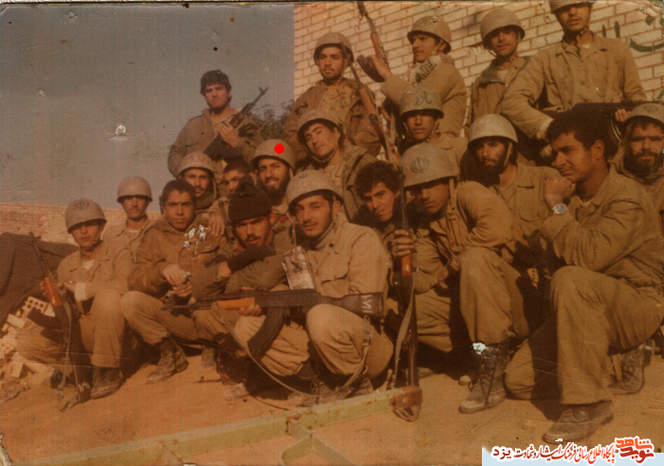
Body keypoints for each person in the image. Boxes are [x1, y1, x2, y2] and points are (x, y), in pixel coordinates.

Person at [503, 111, 664, 443]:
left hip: (637, 304)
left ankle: (588, 404)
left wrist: (555, 207)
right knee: (518, 380)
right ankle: (617, 362)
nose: (558, 162)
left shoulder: (627, 196)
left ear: (597, 150)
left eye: (568, 151)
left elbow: (588, 256)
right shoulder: (573, 200)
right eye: (555, 153)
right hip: (588, 309)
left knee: (571, 279)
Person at [392, 143, 538, 414]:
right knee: (412, 311)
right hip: (483, 310)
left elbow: (498, 227)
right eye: (417, 189)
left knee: (474, 259)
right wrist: (404, 259)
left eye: (431, 184)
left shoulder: (469, 193)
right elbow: (423, 283)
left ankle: (492, 371)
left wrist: (453, 263)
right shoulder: (426, 222)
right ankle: (478, 355)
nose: (424, 195)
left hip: (522, 303)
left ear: (449, 181)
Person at [232, 170, 394, 405]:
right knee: (246, 327)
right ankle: (318, 381)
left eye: (315, 206)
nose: (306, 216)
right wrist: (269, 302)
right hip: (324, 345)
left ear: (335, 206)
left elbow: (366, 303)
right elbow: (291, 292)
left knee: (320, 316)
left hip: (368, 348)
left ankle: (356, 384)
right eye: (299, 209)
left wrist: (314, 303)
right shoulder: (298, 252)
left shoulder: (361, 239)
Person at [17, 199, 131, 399]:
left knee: (108, 297)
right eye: (77, 227)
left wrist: (83, 289)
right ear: (71, 232)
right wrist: (58, 297)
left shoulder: (119, 251)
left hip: (120, 333)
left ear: (101, 226)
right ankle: (81, 372)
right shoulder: (66, 266)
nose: (83, 231)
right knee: (28, 340)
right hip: (88, 333)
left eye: (90, 224)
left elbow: (128, 284)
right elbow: (71, 315)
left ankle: (109, 371)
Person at [120, 181, 228, 384]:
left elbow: (229, 267)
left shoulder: (210, 229)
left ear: (195, 206)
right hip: (178, 319)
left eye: (186, 205)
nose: (179, 212)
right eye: (173, 205)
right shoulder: (153, 235)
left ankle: (213, 347)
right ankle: (171, 353)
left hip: (211, 316)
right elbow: (135, 279)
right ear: (163, 206)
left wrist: (198, 285)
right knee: (130, 301)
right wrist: (161, 271)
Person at [502, 1, 646, 143]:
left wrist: (630, 115)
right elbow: (512, 102)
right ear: (556, 14)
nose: (572, 12)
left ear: (589, 7)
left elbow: (636, 94)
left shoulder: (617, 49)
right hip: (569, 147)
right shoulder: (545, 58)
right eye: (564, 8)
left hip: (612, 142)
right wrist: (549, 127)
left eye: (578, 5)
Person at [463, 114, 559, 286]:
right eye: (479, 147)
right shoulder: (477, 194)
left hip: (550, 280)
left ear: (511, 148)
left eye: (493, 144)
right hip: (506, 282)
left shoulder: (544, 179)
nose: (485, 153)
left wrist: (557, 205)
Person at [283, 32, 381, 162]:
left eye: (334, 57)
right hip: (314, 164)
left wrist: (341, 152)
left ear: (345, 62)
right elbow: (290, 136)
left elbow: (371, 134)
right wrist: (315, 152)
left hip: (351, 161)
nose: (327, 63)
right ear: (317, 62)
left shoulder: (359, 93)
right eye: (323, 57)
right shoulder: (306, 98)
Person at [371, 16, 467, 143]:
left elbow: (417, 100)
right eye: (414, 40)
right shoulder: (420, 76)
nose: (415, 45)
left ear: (441, 45)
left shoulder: (447, 71)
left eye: (423, 39)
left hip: (441, 148)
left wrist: (386, 74)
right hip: (421, 148)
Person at [167, 70, 262, 189]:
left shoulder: (247, 124)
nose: (214, 94)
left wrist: (237, 143)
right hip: (200, 192)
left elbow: (259, 160)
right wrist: (183, 175)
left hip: (234, 191)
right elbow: (175, 153)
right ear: (204, 95)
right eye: (209, 90)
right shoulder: (192, 125)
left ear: (229, 92)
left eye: (219, 88)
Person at [296, 109, 377, 222]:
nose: (314, 140)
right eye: (308, 137)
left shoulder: (362, 162)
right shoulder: (306, 176)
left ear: (336, 132)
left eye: (319, 132)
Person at [468, 8, 527, 125]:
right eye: (494, 35)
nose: (501, 38)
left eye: (507, 32)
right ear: (488, 44)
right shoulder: (481, 83)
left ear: (518, 36)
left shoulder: (532, 68)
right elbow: (470, 126)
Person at [611, 102, 664, 232]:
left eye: (655, 139)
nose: (646, 146)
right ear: (627, 143)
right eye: (638, 139)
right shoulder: (610, 180)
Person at [398, 84, 467, 167]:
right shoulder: (405, 155)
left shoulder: (458, 149)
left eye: (424, 114)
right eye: (412, 115)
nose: (418, 122)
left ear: (435, 118)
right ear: (405, 121)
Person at [104, 176, 154, 263]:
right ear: (122, 203)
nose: (134, 204)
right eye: (129, 198)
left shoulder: (158, 232)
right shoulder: (111, 235)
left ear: (147, 202)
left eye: (139, 198)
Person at [176, 152, 224, 237]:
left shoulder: (222, 208)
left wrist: (217, 213)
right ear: (182, 179)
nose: (197, 183)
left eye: (203, 177)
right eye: (192, 177)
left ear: (210, 181)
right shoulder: (171, 207)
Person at [251, 139, 295, 231]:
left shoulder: (301, 204)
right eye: (263, 169)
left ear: (289, 169)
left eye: (275, 167)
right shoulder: (257, 208)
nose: (268, 174)